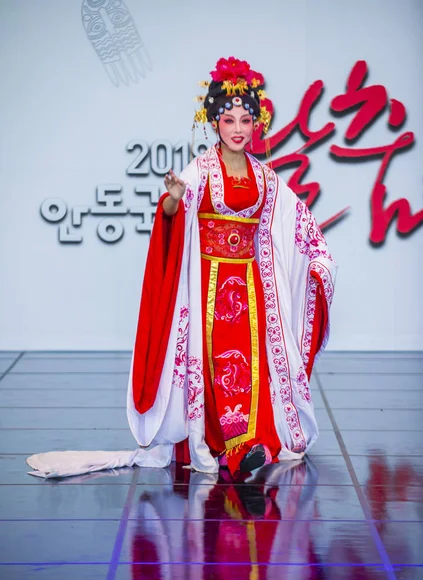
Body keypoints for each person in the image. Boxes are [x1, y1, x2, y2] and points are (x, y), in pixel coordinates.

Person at [127, 56, 337, 477]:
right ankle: (233, 446)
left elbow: (296, 220)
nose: (238, 129)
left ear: (256, 124)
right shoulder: (201, 169)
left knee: (256, 363)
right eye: (229, 120)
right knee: (221, 364)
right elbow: (173, 208)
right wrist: (170, 197)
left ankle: (253, 443)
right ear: (213, 123)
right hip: (208, 285)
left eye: (245, 120)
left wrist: (317, 259)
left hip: (252, 286)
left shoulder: (265, 177)